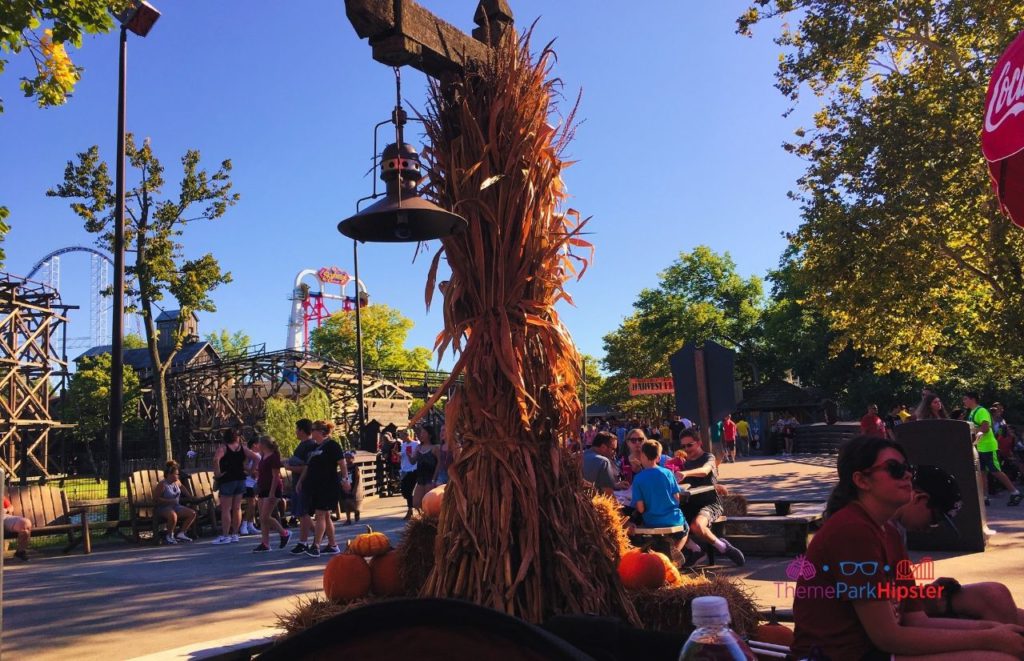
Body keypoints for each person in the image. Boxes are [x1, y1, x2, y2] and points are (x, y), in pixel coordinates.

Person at [792, 435, 1024, 660]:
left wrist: (990, 629)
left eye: (907, 468)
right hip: (840, 655)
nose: (907, 475)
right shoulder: (852, 530)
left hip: (873, 650)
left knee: (1006, 633)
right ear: (862, 481)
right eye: (894, 469)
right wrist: (988, 639)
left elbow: (916, 619)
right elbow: (888, 637)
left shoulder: (888, 532)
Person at [895, 464, 1024, 625]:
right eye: (935, 519)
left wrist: (925, 592)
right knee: (995, 601)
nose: (931, 528)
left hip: (902, 604)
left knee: (995, 597)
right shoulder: (880, 529)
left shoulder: (897, 528)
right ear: (919, 498)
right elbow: (883, 604)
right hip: (894, 618)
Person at [675, 428, 745, 567]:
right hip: (689, 503)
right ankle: (695, 550)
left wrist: (685, 473)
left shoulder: (709, 457)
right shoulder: (682, 462)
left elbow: (704, 471)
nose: (686, 449)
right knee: (669, 522)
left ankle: (723, 547)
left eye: (690, 445)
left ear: (699, 443)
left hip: (709, 503)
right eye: (683, 446)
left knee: (697, 526)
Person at [631, 439, 689, 560]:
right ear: (658, 457)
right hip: (673, 519)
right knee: (686, 529)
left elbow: (640, 509)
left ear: (642, 456)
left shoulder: (638, 478)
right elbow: (677, 498)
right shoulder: (667, 473)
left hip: (652, 520)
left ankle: (668, 551)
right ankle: (675, 552)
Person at [296, 420, 344, 557]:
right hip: (315, 485)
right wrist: (300, 481)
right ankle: (333, 544)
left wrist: (346, 480)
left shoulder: (332, 445)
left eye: (314, 429)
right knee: (326, 515)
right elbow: (307, 466)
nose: (312, 432)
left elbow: (342, 463)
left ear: (321, 431)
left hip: (328, 485)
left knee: (320, 514)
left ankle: (316, 545)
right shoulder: (315, 448)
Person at [964, 392, 1021, 506]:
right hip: (980, 447)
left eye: (965, 399)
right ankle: (984, 497)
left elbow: (985, 428)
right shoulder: (972, 412)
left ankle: (1015, 492)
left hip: (988, 447)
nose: (964, 401)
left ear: (973, 399)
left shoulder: (981, 411)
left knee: (995, 471)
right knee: (982, 472)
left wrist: (971, 432)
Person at [212, 428, 260, 544]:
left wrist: (218, 473)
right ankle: (235, 534)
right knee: (237, 508)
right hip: (240, 479)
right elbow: (257, 458)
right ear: (237, 437)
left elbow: (215, 459)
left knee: (226, 509)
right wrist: (251, 471)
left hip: (227, 479)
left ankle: (225, 535)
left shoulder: (223, 448)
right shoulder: (242, 448)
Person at [252, 435, 290, 553]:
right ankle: (265, 543)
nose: (258, 445)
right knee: (262, 519)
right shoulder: (263, 455)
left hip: (272, 488)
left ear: (263, 444)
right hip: (263, 487)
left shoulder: (274, 456)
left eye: (259, 443)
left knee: (265, 516)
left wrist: (272, 492)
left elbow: (275, 476)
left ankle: (284, 533)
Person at [286, 419, 317, 555]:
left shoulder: (309, 446)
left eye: (297, 429)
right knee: (301, 513)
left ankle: (303, 542)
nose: (295, 432)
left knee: (303, 513)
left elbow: (307, 468)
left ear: (302, 430)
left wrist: (289, 467)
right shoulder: (302, 445)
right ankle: (321, 536)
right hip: (298, 483)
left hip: (303, 484)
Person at [152, 460, 196, 544]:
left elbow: (183, 488)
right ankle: (169, 536)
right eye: (176, 474)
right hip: (163, 508)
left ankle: (181, 533)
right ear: (169, 474)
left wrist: (190, 497)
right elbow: (155, 499)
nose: (178, 475)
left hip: (176, 506)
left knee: (192, 513)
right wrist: (169, 501)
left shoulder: (177, 482)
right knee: (173, 515)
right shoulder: (162, 484)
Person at [583, 432, 627, 496]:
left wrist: (614, 485)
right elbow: (608, 495)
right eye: (613, 449)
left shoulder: (576, 456)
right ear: (603, 447)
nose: (615, 453)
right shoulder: (604, 461)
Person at [412, 425, 440, 513]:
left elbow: (439, 463)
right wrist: (408, 455)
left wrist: (434, 478)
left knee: (429, 503)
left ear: (430, 435)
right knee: (416, 503)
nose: (421, 434)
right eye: (421, 433)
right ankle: (422, 519)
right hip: (420, 479)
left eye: (424, 432)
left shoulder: (435, 448)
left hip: (430, 478)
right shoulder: (418, 447)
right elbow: (413, 461)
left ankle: (429, 521)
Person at [240, 438, 261, 536]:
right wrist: (252, 471)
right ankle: (243, 525)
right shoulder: (250, 454)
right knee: (251, 504)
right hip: (248, 482)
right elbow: (243, 465)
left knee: (254, 504)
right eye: (258, 444)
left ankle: (250, 524)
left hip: (256, 482)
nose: (260, 446)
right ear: (254, 445)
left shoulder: (260, 454)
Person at [339, 451, 364, 525]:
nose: (347, 459)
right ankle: (348, 519)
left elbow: (357, 478)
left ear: (353, 458)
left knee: (349, 501)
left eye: (349, 458)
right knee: (346, 503)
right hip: (346, 485)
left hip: (352, 485)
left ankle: (356, 511)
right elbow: (342, 475)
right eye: (346, 457)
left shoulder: (355, 467)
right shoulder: (344, 467)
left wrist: (355, 488)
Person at [3, 495, 31, 561]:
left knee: (25, 523)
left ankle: (20, 553)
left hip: (3, 516)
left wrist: (6, 510)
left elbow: (10, 507)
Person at [399, 428, 420, 520]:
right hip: (404, 470)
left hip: (413, 469)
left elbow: (417, 456)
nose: (401, 437)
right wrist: (397, 454)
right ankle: (412, 507)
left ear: (407, 435)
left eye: (402, 435)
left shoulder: (416, 444)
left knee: (409, 490)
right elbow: (402, 456)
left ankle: (410, 510)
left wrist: (410, 456)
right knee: (404, 491)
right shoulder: (403, 445)